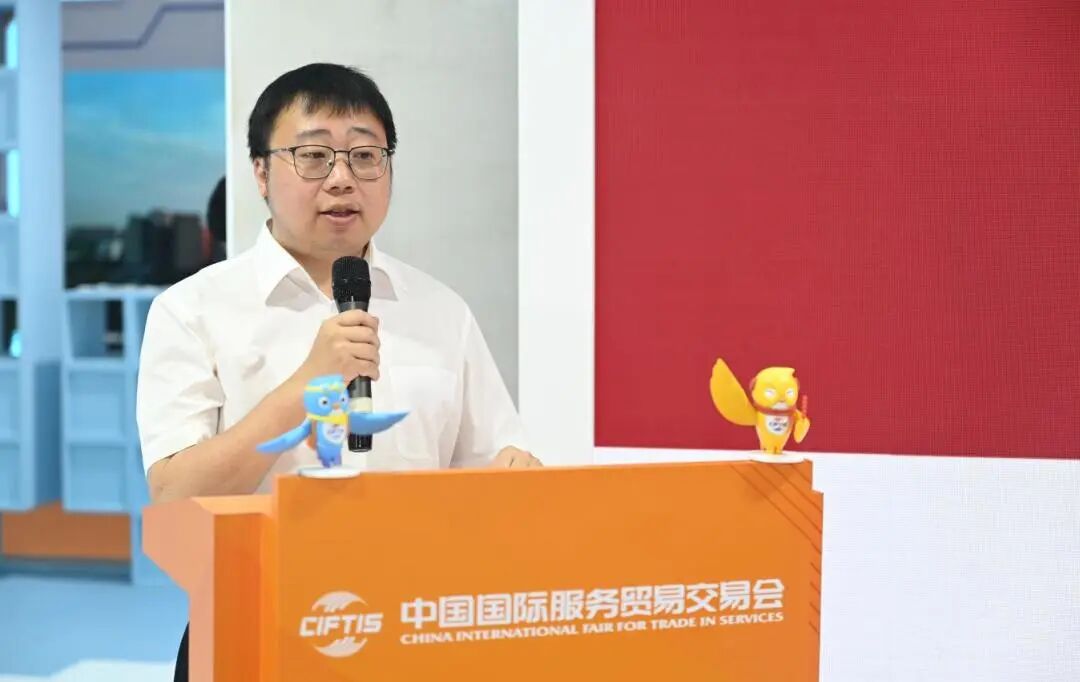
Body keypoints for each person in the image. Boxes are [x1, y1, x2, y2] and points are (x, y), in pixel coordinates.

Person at [134, 63, 540, 682]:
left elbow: (492, 471)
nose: (343, 178)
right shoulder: (193, 310)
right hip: (252, 626)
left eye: (365, 156)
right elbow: (175, 497)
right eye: (314, 156)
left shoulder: (441, 310)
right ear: (261, 172)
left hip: (416, 629)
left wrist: (513, 480)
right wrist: (305, 387)